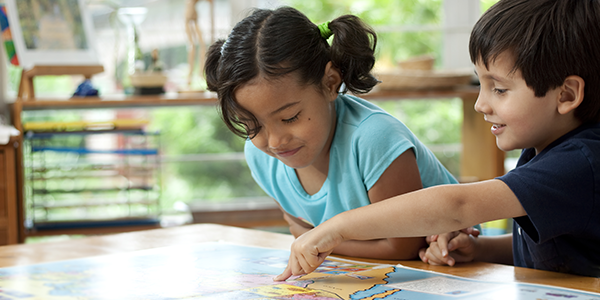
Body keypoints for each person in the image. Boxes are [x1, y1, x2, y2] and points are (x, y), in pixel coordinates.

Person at [275, 0, 600, 281]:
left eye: (499, 89)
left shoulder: (582, 162)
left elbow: (459, 206)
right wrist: (479, 248)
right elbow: (557, 246)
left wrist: (337, 228)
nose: (480, 105)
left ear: (567, 94)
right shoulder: (549, 147)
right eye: (481, 85)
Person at [204, 7, 459, 261]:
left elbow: (402, 248)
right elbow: (298, 230)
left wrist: (320, 240)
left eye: (290, 117)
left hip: (459, 263)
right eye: (252, 125)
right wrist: (313, 238)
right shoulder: (261, 156)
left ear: (330, 83)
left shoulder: (373, 139)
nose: (274, 141)